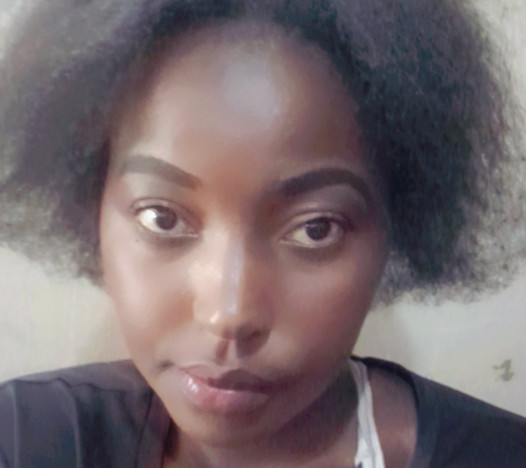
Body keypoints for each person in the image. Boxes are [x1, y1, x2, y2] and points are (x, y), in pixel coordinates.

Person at [0, 0, 525, 466]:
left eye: (315, 229)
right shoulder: (24, 436)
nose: (229, 315)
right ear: (92, 207)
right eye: (163, 218)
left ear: (399, 228)